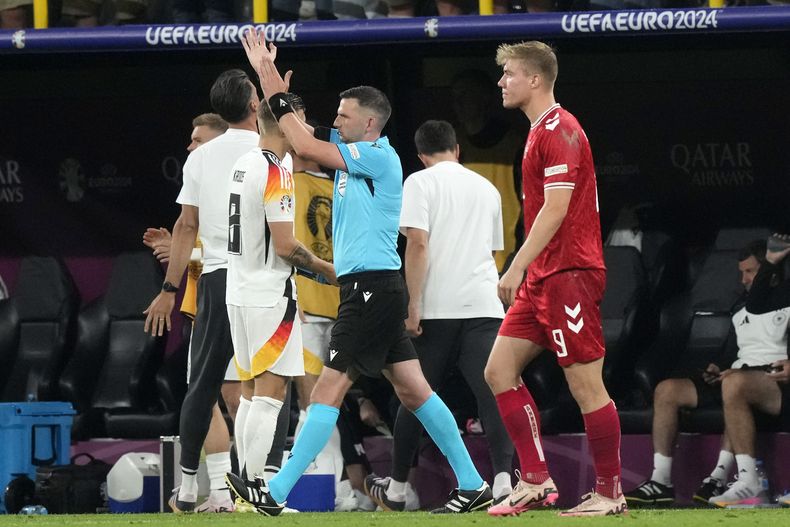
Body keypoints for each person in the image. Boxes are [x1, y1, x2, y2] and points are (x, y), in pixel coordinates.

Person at [225, 28, 491, 516]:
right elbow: (299, 137)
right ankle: (473, 483)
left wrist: (270, 81)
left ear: (369, 123)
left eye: (344, 117)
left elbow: (301, 140)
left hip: (371, 289)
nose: (337, 122)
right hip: (371, 289)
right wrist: (267, 83)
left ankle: (275, 492)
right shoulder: (353, 151)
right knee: (415, 391)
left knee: (328, 388)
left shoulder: (376, 156)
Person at [484, 41, 626, 517]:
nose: (501, 82)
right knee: (498, 372)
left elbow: (557, 207)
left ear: (535, 79)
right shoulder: (536, 131)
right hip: (544, 276)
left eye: (509, 74)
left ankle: (609, 492)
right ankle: (536, 480)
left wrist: (518, 263)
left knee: (586, 386)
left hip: (569, 274)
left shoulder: (561, 129)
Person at [365, 119, 514, 510]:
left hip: (435, 309)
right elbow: (493, 250)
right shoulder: (487, 187)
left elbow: (416, 245)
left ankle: (397, 489)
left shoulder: (419, 182)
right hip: (484, 305)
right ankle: (502, 482)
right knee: (491, 394)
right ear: (457, 148)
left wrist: (412, 305)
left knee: (416, 396)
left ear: (420, 155)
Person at [143, 69, 261, 513]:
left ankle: (191, 486)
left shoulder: (200, 159)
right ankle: (261, 487)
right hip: (263, 280)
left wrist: (170, 289)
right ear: (254, 104)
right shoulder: (273, 150)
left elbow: (185, 226)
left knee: (205, 385)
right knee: (268, 385)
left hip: (216, 279)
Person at [226, 94, 337, 495]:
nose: (304, 131)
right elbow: (287, 246)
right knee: (271, 394)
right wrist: (329, 272)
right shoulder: (277, 171)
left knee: (251, 392)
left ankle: (246, 484)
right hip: (269, 295)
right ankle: (256, 488)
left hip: (238, 291)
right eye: (300, 122)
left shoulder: (244, 163)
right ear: (286, 124)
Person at [622, 240, 779, 507]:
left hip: (771, 380)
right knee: (666, 390)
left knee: (734, 384)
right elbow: (735, 350)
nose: (744, 280)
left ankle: (728, 477)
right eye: (742, 273)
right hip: (736, 374)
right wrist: (718, 366)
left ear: (770, 271)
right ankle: (660, 481)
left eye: (750, 272)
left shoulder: (785, 301)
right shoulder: (742, 307)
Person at [709, 234, 789, 507]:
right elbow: (755, 306)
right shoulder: (779, 294)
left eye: (750, 272)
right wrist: (770, 262)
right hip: (777, 383)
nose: (743, 279)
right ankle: (748, 481)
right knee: (733, 383)